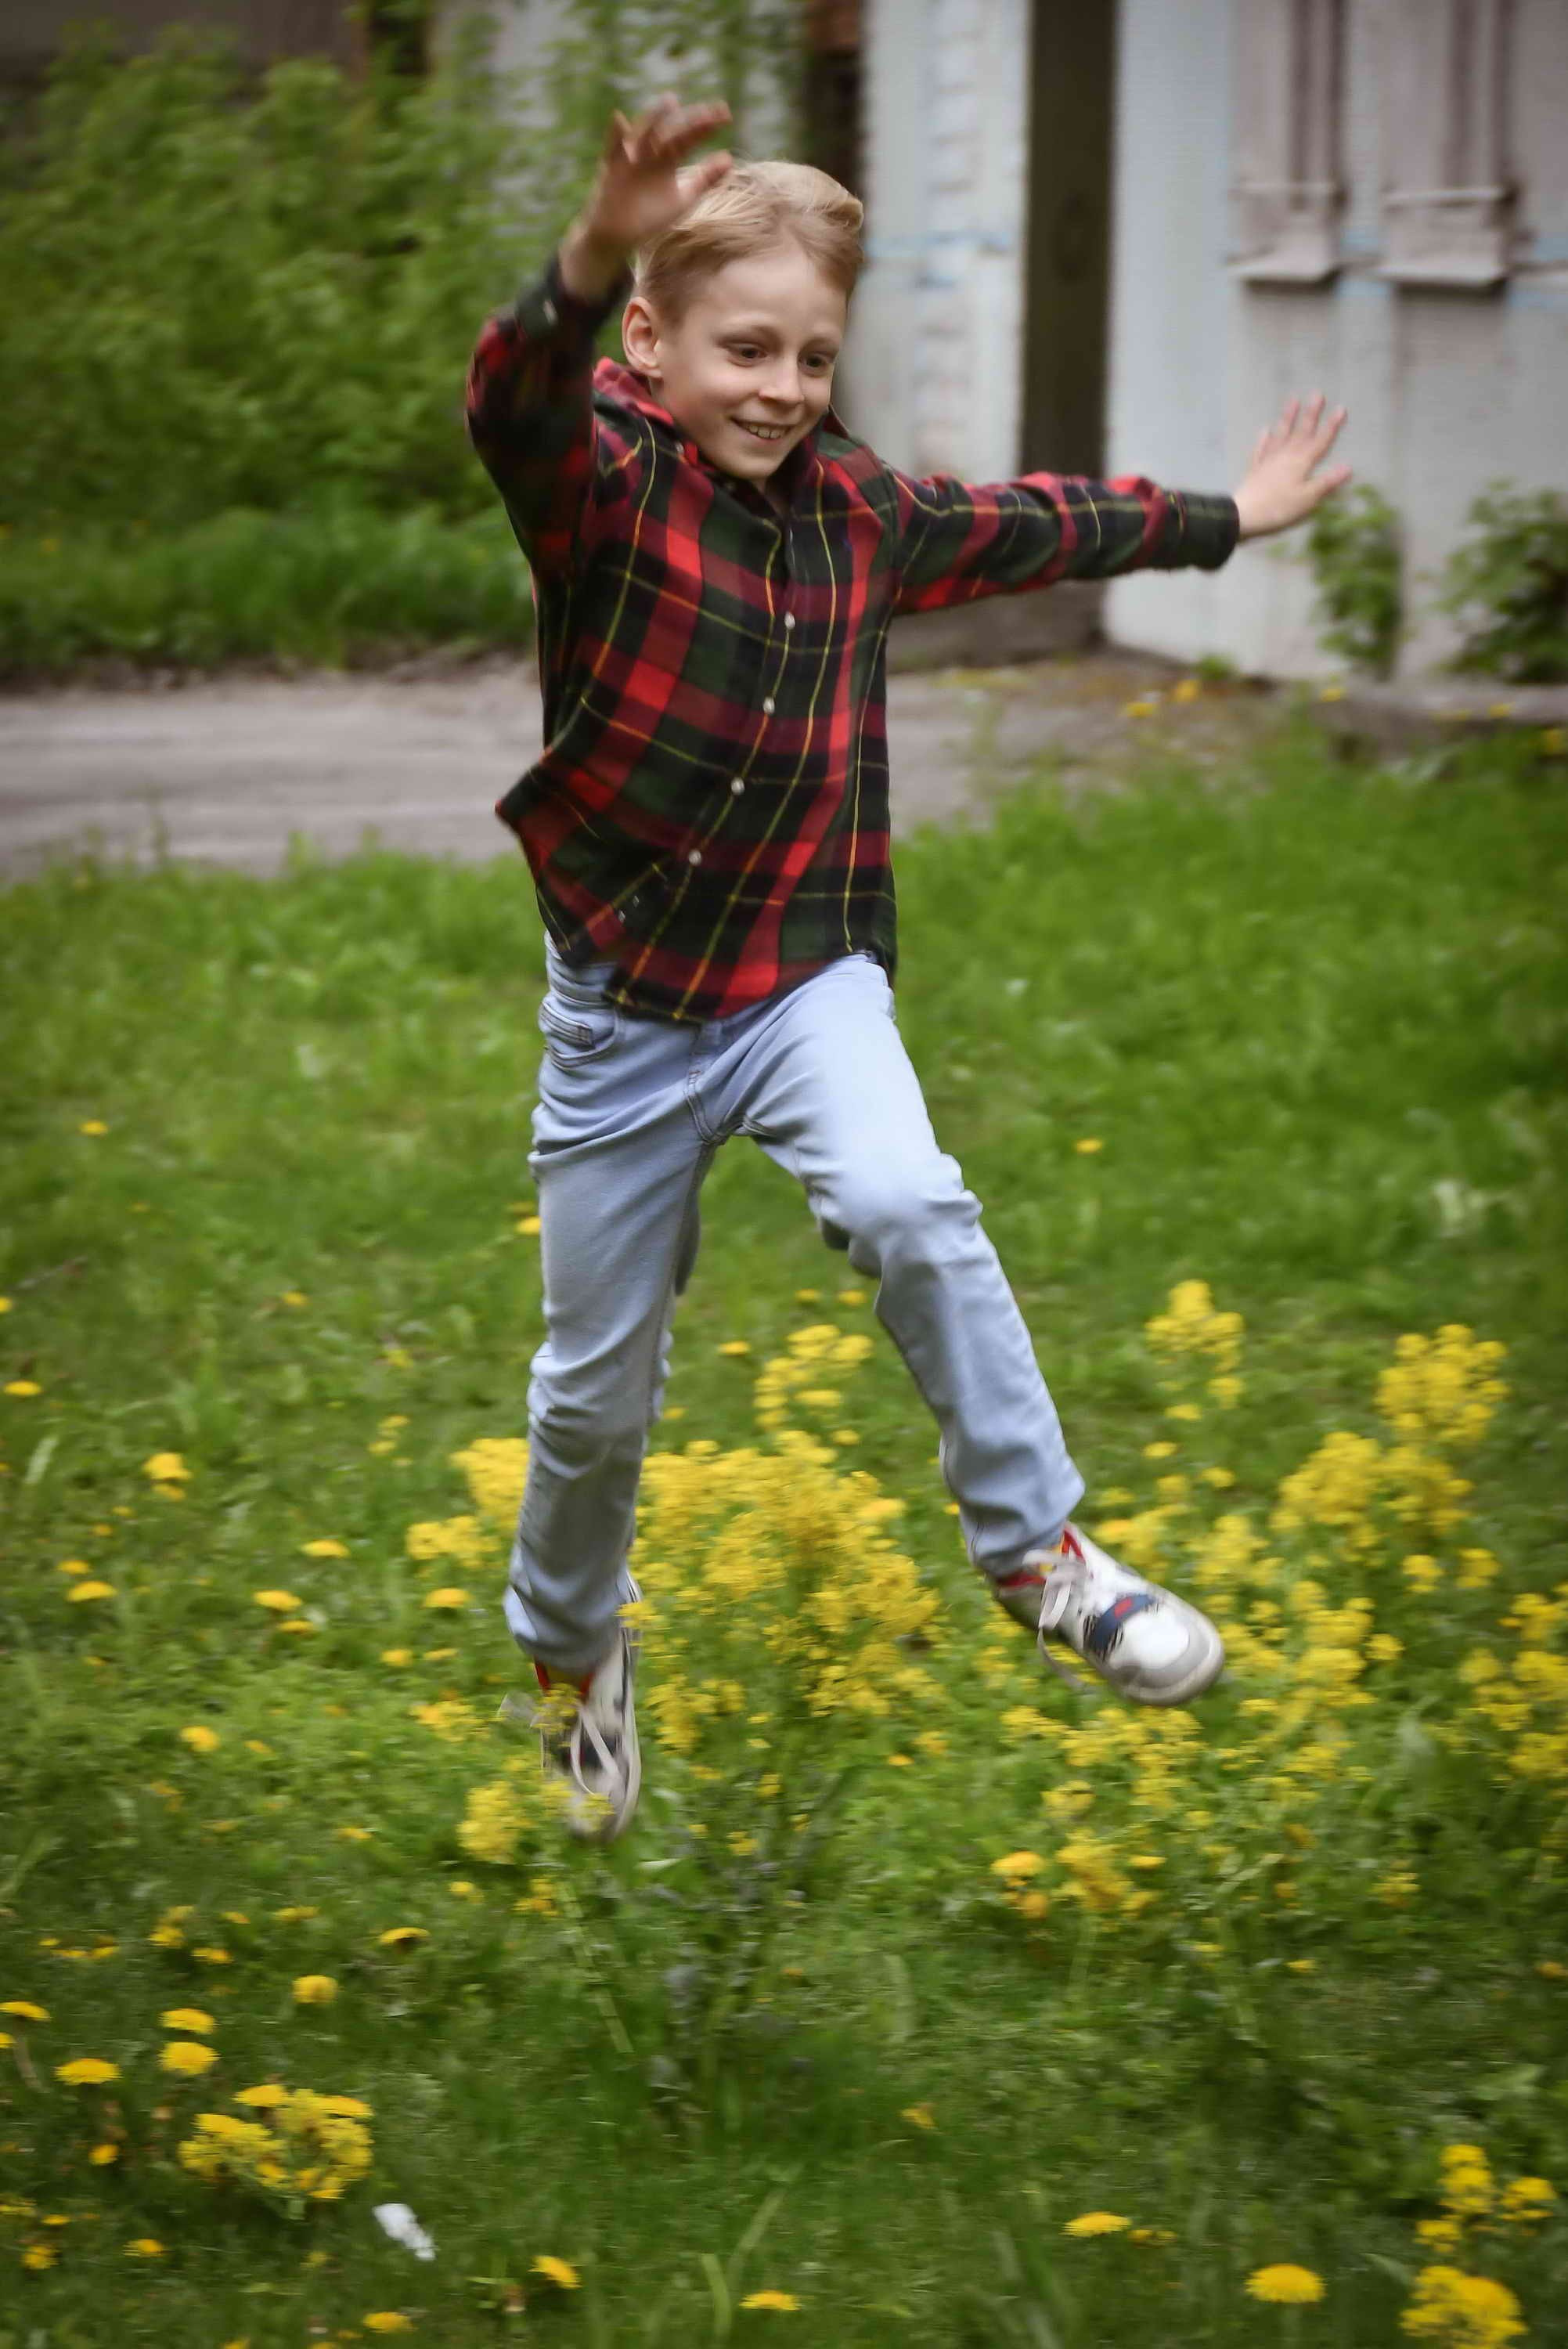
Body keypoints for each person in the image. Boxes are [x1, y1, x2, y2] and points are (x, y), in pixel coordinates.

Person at [464, 95, 1353, 1842]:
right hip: (625, 1019)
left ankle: (1038, 1555)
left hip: (806, 979)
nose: (783, 389)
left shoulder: (859, 509)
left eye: (812, 354)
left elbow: (1035, 522)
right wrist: (586, 251)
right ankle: (575, 1655)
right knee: (592, 1395)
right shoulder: (607, 485)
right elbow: (511, 399)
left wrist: (1222, 519)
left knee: (909, 1200)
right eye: (744, 350)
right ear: (653, 341)